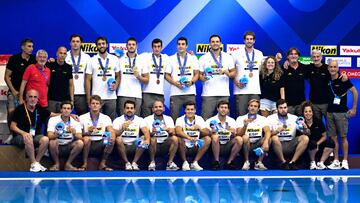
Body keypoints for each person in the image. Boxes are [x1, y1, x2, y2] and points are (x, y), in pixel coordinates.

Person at [326, 60, 358, 170]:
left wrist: (353, 108)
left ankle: (344, 161)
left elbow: (354, 92)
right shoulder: (327, 78)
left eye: (335, 67)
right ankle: (335, 161)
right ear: (328, 68)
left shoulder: (344, 79)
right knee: (333, 138)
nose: (332, 69)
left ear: (338, 68)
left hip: (342, 113)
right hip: (330, 112)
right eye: (330, 67)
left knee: (343, 138)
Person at [10, 89, 50, 172]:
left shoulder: (39, 109)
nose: (33, 99)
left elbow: (52, 114)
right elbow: (13, 126)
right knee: (28, 137)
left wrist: (70, 115)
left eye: (35, 97)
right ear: (26, 98)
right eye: (30, 96)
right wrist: (23, 133)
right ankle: (33, 163)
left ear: (37, 99)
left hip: (34, 136)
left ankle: (36, 163)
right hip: (19, 137)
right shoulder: (20, 109)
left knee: (45, 139)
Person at [199, 34, 236, 120]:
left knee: (225, 120)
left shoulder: (228, 57)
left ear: (220, 43)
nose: (215, 43)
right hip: (208, 94)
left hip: (223, 94)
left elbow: (233, 73)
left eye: (217, 41)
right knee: (205, 119)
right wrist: (203, 77)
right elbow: (199, 75)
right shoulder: (203, 58)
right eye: (213, 42)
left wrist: (226, 72)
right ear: (209, 44)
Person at [267, 99, 309, 170]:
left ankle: (292, 162)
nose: (283, 110)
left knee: (305, 138)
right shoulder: (270, 118)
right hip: (277, 144)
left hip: (290, 143)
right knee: (274, 138)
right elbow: (267, 135)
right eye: (281, 108)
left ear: (287, 108)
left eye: (285, 107)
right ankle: (283, 162)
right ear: (277, 109)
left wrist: (305, 128)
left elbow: (307, 133)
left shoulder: (294, 118)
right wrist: (276, 131)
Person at [85, 36, 120, 120]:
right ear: (96, 46)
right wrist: (88, 97)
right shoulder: (91, 60)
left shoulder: (114, 59)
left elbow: (118, 75)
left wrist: (116, 85)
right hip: (96, 97)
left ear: (107, 45)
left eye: (103, 43)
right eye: (99, 44)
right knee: (97, 122)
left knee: (110, 122)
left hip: (111, 97)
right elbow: (87, 79)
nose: (101, 46)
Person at [165, 37, 199, 121]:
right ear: (176, 46)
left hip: (190, 93)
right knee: (174, 117)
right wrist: (175, 83)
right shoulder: (171, 58)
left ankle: (191, 132)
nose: (181, 46)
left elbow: (197, 74)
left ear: (186, 46)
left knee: (191, 117)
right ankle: (173, 134)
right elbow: (166, 75)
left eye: (183, 44)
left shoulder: (193, 58)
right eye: (179, 44)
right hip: (176, 93)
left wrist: (191, 82)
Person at [79, 95, 116, 171]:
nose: (95, 105)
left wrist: (111, 137)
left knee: (111, 140)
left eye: (97, 103)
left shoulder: (106, 118)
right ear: (89, 105)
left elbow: (111, 130)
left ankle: (102, 163)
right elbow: (79, 134)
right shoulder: (82, 117)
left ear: (100, 105)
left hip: (100, 142)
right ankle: (85, 163)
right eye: (93, 103)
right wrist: (87, 132)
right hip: (88, 143)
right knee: (86, 139)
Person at [4, 38, 36, 126]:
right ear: (22, 47)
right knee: (11, 112)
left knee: (26, 115)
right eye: (29, 46)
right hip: (14, 92)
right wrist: (13, 91)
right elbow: (6, 76)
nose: (31, 48)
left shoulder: (34, 60)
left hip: (28, 94)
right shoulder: (14, 59)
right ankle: (12, 134)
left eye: (32, 46)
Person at [232, 31, 263, 116]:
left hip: (255, 90)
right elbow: (231, 70)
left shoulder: (259, 53)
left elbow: (265, 68)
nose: (249, 41)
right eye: (247, 39)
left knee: (254, 116)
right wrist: (236, 82)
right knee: (241, 115)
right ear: (244, 41)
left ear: (254, 41)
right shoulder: (236, 53)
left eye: (251, 39)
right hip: (240, 90)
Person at [113, 100, 150, 170]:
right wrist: (122, 129)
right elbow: (114, 134)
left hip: (135, 145)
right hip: (122, 146)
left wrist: (147, 139)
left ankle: (134, 163)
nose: (129, 110)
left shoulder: (140, 119)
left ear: (135, 110)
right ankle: (127, 163)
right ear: (124, 109)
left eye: (131, 108)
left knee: (143, 137)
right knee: (118, 139)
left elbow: (146, 131)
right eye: (127, 108)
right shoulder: (118, 120)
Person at [117, 37, 149, 116]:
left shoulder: (142, 60)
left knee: (135, 121)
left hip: (136, 95)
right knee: (122, 119)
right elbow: (116, 75)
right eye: (129, 44)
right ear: (126, 46)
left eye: (133, 44)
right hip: (122, 94)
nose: (131, 46)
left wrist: (138, 77)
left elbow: (147, 80)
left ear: (136, 46)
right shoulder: (119, 59)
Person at [143, 100, 179, 170]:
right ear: (152, 109)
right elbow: (145, 135)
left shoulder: (169, 119)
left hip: (165, 144)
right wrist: (152, 133)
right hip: (152, 145)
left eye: (160, 107)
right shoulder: (147, 119)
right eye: (156, 107)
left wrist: (168, 130)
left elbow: (173, 132)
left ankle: (170, 163)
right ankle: (152, 162)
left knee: (175, 138)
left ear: (164, 108)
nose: (158, 109)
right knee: (152, 139)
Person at [47, 101, 84, 171]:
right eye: (64, 108)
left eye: (68, 108)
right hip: (57, 145)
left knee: (80, 143)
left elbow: (80, 137)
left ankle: (68, 164)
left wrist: (74, 133)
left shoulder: (75, 121)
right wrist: (56, 134)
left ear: (71, 110)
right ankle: (57, 164)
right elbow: (49, 135)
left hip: (69, 145)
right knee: (52, 142)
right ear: (61, 110)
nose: (66, 110)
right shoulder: (53, 120)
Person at [205, 101, 241, 170]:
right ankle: (216, 162)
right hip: (214, 145)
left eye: (225, 108)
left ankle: (230, 162)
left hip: (227, 144)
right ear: (217, 109)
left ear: (228, 110)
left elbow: (236, 134)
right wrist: (210, 132)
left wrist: (233, 132)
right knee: (215, 136)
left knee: (239, 139)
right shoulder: (211, 120)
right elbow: (203, 132)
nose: (223, 109)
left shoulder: (232, 121)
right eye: (221, 107)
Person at [175, 101, 211, 171]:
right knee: (179, 138)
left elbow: (207, 132)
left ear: (195, 110)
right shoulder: (180, 119)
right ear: (185, 110)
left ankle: (195, 162)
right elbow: (178, 131)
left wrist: (200, 129)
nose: (190, 111)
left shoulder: (199, 119)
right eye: (188, 109)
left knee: (208, 139)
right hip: (184, 146)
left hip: (196, 145)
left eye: (192, 109)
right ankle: (185, 162)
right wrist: (189, 138)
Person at [236, 99, 271, 170]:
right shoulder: (241, 118)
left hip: (257, 144)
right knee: (245, 137)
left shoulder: (263, 119)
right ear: (248, 107)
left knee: (268, 138)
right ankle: (246, 162)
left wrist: (266, 142)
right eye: (251, 106)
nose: (253, 108)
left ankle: (259, 162)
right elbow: (238, 134)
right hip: (245, 145)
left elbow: (267, 131)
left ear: (258, 109)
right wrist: (245, 126)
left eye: (255, 106)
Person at [300, 101, 335, 170]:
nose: (308, 113)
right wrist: (305, 128)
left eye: (310, 111)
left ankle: (321, 163)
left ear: (312, 113)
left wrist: (317, 144)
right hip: (308, 148)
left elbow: (324, 136)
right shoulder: (300, 123)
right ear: (303, 113)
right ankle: (312, 162)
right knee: (312, 143)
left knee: (331, 142)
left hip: (318, 145)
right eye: (306, 112)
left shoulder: (318, 121)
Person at [141, 38, 170, 117]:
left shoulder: (166, 58)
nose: (157, 48)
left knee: (158, 117)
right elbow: (133, 56)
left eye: (158, 46)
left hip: (160, 93)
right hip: (147, 92)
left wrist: (188, 54)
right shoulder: (145, 56)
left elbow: (177, 57)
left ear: (161, 47)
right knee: (145, 116)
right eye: (155, 46)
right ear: (152, 47)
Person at [65, 34, 91, 115]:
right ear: (70, 43)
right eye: (73, 41)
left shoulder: (87, 57)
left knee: (83, 118)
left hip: (82, 93)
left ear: (81, 43)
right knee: (65, 117)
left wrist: (88, 95)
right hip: (67, 93)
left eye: (77, 41)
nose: (75, 43)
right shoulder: (65, 56)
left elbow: (89, 77)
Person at [282, 48, 308, 116]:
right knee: (289, 126)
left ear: (298, 56)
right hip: (288, 104)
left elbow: (317, 66)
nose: (293, 56)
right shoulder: (283, 68)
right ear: (287, 56)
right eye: (291, 54)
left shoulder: (304, 68)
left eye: (295, 54)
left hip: (301, 104)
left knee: (301, 125)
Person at [47, 46, 74, 113]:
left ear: (66, 55)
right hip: (51, 99)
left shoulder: (69, 67)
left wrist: (72, 100)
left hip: (64, 100)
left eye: (64, 53)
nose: (62, 55)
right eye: (60, 53)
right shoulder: (50, 65)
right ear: (57, 54)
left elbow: (71, 85)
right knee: (50, 120)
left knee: (62, 122)